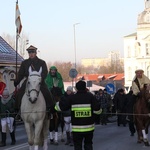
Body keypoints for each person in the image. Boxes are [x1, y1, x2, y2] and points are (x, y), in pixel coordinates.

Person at [55, 80, 102, 150]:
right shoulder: (91, 96)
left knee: (77, 146)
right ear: (85, 87)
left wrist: (56, 105)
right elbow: (98, 110)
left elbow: (61, 108)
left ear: (76, 88)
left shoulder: (72, 97)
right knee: (88, 145)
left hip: (77, 129)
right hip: (89, 128)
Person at [14, 45, 54, 111]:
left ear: (36, 53)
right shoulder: (24, 63)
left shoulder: (42, 62)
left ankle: (50, 109)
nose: (31, 54)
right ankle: (17, 109)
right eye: (29, 53)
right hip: (28, 81)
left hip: (39, 81)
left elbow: (45, 72)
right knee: (20, 92)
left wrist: (41, 79)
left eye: (32, 52)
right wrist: (17, 81)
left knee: (47, 92)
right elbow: (21, 73)